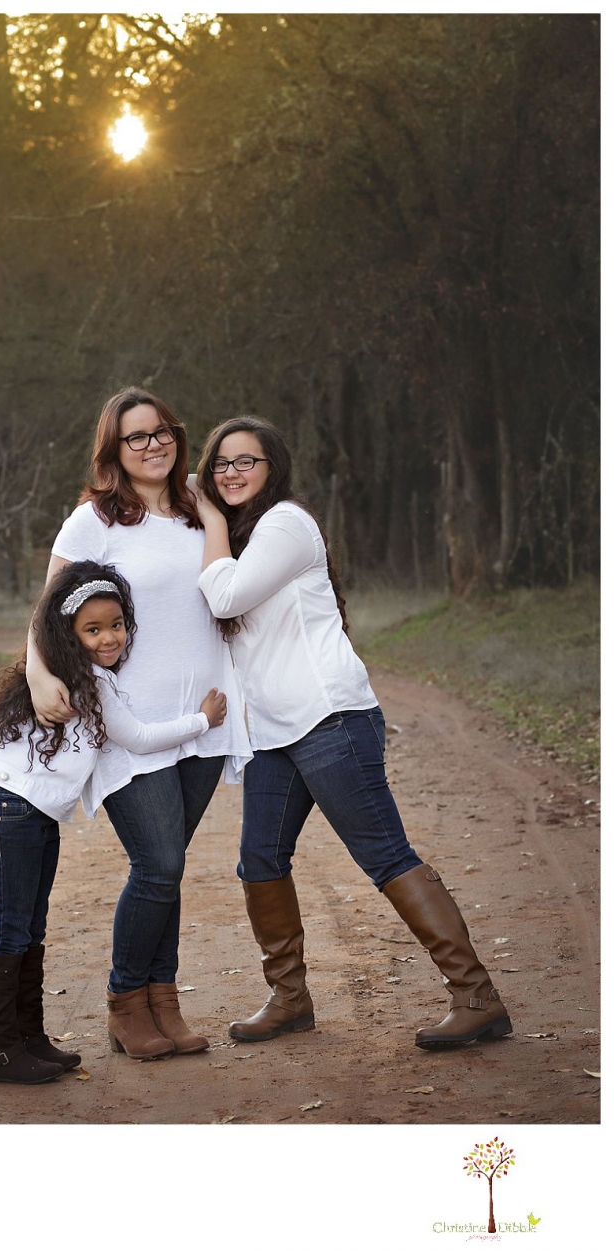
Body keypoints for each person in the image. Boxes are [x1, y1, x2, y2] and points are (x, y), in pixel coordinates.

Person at [194, 415, 513, 1049]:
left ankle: (477, 997)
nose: (231, 472)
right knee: (260, 860)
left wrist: (206, 517)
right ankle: (289, 999)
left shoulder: (285, 523)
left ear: (272, 468)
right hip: (274, 733)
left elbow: (224, 598)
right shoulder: (244, 535)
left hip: (329, 719)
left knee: (385, 855)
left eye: (246, 460)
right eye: (221, 463)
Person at [25, 387, 251, 1060]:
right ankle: (127, 1003)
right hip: (131, 722)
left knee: (169, 868)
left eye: (162, 431)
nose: (153, 444)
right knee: (159, 862)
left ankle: (164, 1003)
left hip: (204, 720)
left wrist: (210, 503)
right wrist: (39, 676)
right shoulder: (94, 520)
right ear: (114, 449)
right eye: (136, 436)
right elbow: (46, 612)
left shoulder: (199, 510)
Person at [0, 560, 228, 1081]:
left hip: (31, 814)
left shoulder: (82, 678)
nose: (109, 637)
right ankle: (1, 1052)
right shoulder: (82, 681)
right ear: (68, 636)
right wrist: (203, 720)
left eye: (116, 624)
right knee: (10, 928)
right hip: (7, 808)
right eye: (93, 629)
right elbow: (139, 738)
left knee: (31, 926)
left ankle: (31, 1039)